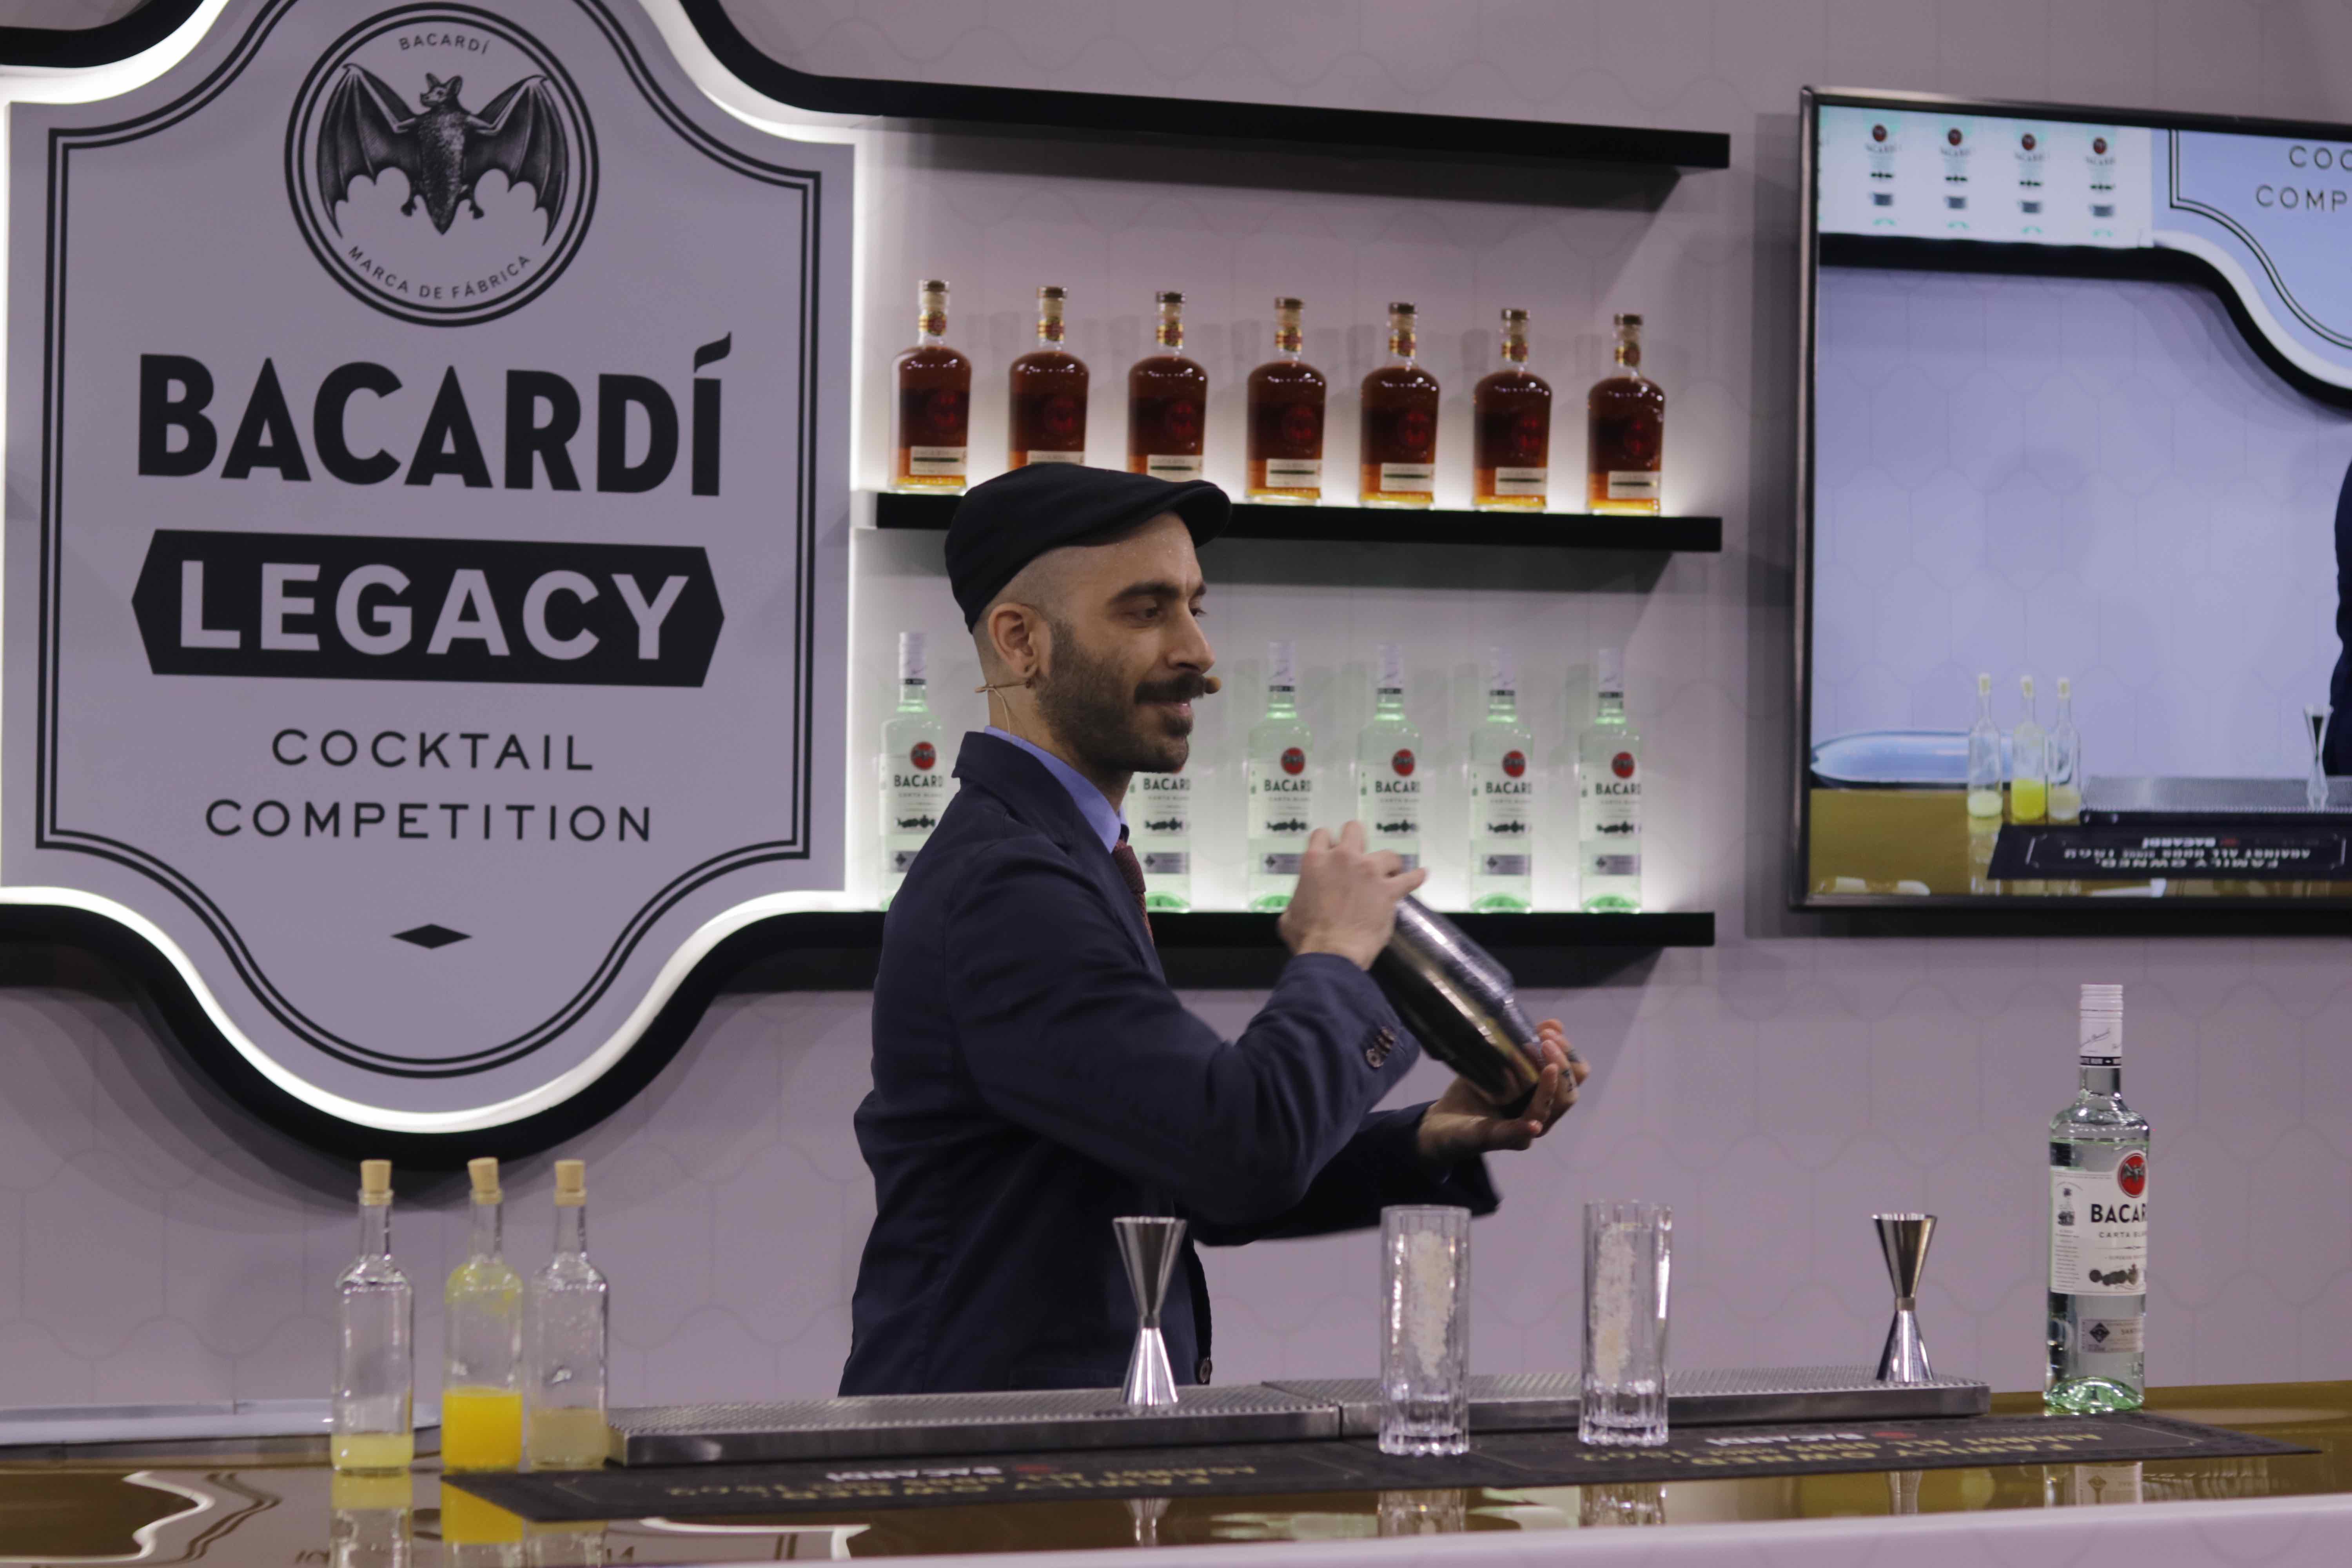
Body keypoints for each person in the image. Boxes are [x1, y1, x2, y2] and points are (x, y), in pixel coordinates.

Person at [840, 464, 1586, 1396]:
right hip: (991, 1455)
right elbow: (1242, 1155)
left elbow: (1181, 1169)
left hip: (1047, 1439)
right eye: (1146, 609)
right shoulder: (1008, 885)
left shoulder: (1059, 856)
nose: (1198, 650)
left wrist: (1427, 1136)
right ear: (1022, 640)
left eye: (1195, 606)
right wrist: (1334, 955)